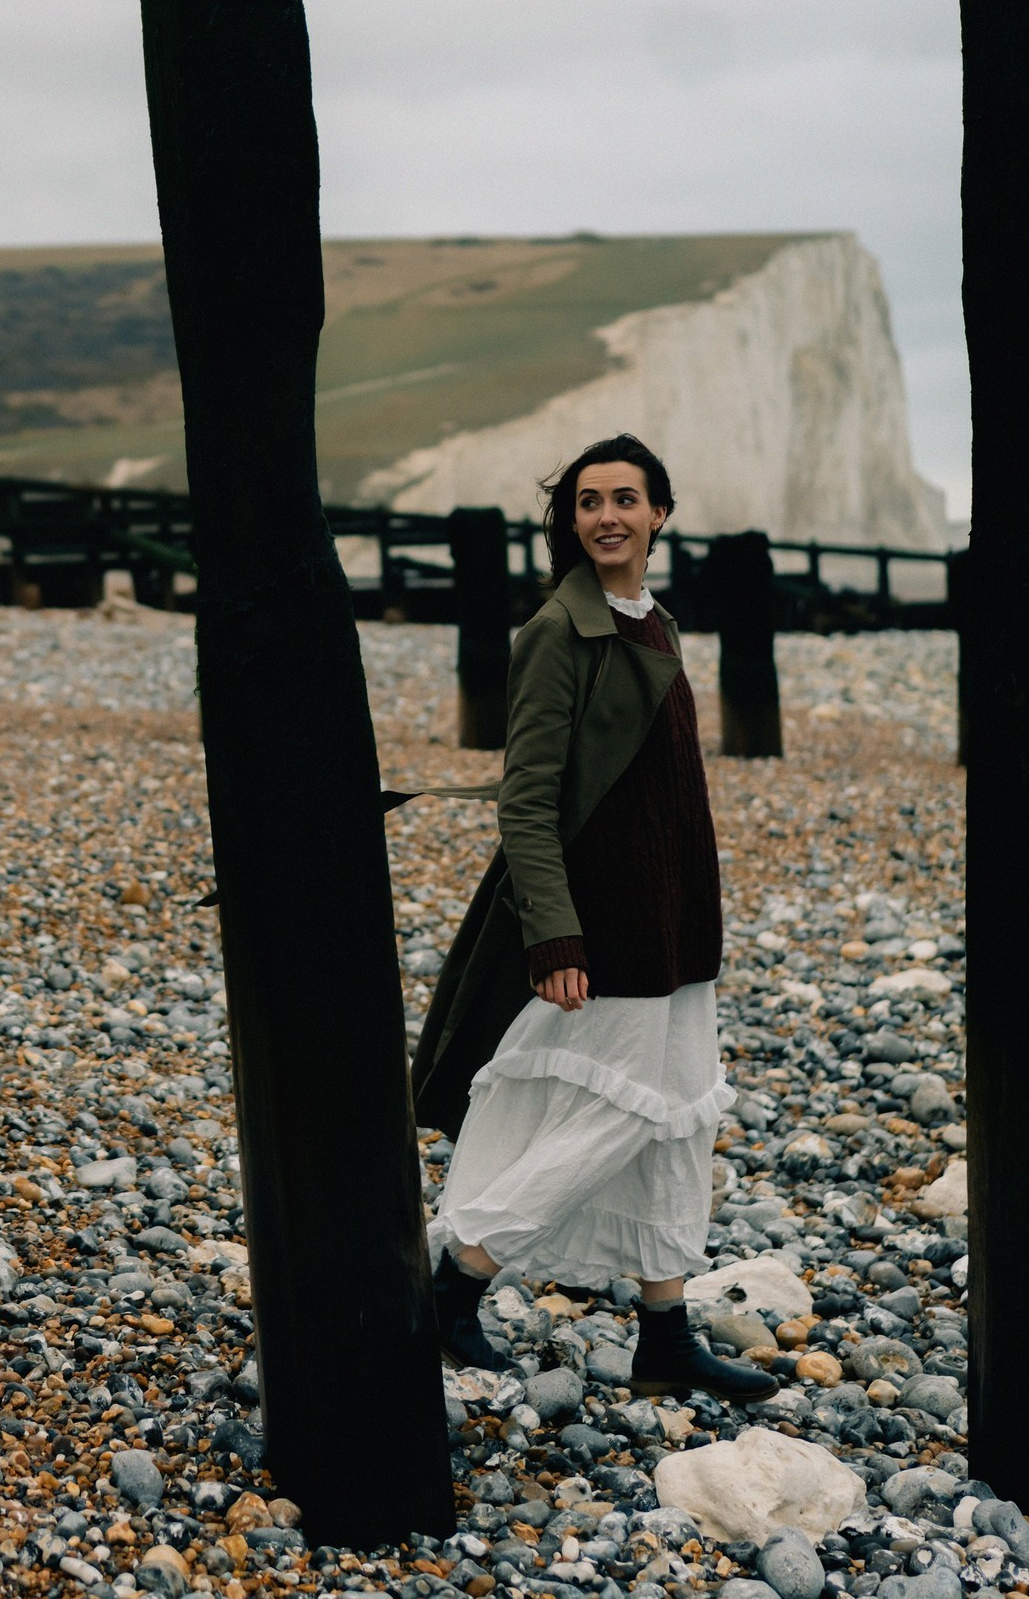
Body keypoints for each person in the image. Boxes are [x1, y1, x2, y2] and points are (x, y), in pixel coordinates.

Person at [409, 434, 773, 1403]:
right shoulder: (557, 633)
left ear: (659, 513)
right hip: (604, 922)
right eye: (586, 502)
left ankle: (663, 1334)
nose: (605, 515)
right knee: (611, 1116)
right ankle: (453, 1287)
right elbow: (525, 803)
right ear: (569, 522)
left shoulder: (655, 619)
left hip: (676, 914)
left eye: (624, 499)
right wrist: (554, 936)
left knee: (676, 1122)